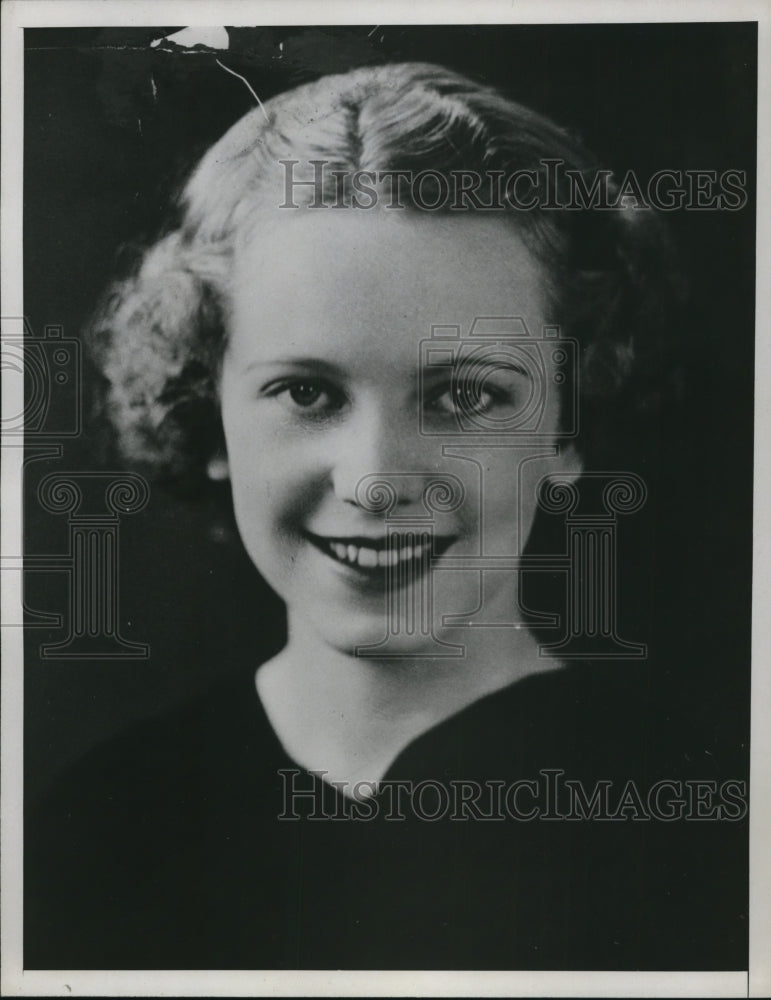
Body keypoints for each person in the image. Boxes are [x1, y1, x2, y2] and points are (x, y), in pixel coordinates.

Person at [25, 62, 746, 971]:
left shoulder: (700, 826)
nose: (372, 480)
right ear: (207, 414)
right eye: (305, 391)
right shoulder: (98, 822)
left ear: (568, 423)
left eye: (460, 396)